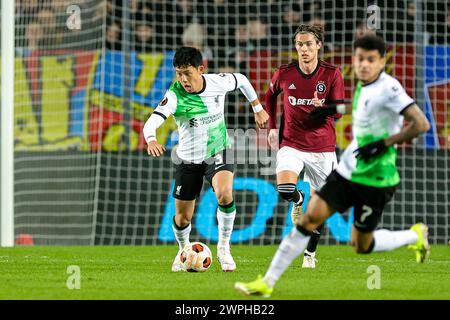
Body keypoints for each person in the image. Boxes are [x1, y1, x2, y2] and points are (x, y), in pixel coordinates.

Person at [235, 34, 431, 297]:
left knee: (361, 245)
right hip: (347, 169)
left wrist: (385, 143)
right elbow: (344, 110)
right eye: (360, 59)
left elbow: (421, 124)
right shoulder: (362, 85)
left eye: (370, 60)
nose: (363, 65)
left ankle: (414, 235)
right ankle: (266, 283)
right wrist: (326, 110)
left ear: (382, 62)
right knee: (308, 219)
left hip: (375, 177)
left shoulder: (390, 88)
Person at [143, 46, 269, 272]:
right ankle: (184, 250)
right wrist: (151, 139)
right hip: (188, 160)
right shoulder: (174, 95)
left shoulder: (218, 82)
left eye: (187, 73)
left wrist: (257, 107)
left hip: (217, 150)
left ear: (201, 69)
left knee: (224, 193)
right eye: (178, 74)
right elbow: (151, 122)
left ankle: (223, 247)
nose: (183, 79)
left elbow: (241, 80)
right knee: (182, 218)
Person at [265, 24, 345, 268]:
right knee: (285, 189)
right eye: (300, 44)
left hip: (322, 147)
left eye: (309, 44)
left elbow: (340, 110)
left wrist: (324, 109)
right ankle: (298, 200)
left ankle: (310, 255)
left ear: (319, 45)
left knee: (321, 207)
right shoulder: (284, 73)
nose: (304, 49)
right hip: (291, 142)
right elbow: (269, 96)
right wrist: (271, 127)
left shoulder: (332, 73)